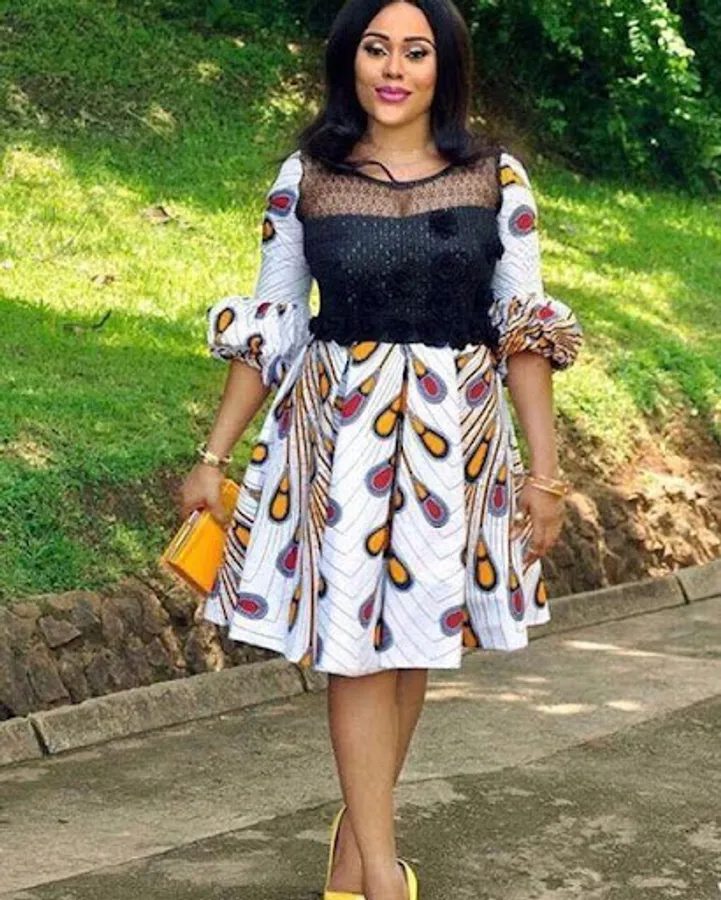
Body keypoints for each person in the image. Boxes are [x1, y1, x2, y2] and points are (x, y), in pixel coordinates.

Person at [179, 1, 584, 897]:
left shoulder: (495, 177)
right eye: (375, 49)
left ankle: (354, 845)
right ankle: (378, 874)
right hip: (337, 436)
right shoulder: (306, 177)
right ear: (349, 60)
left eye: (415, 51)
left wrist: (545, 475)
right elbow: (273, 322)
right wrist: (213, 455)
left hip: (456, 439)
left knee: (410, 644)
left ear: (445, 67)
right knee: (353, 649)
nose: (394, 69)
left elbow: (522, 331)